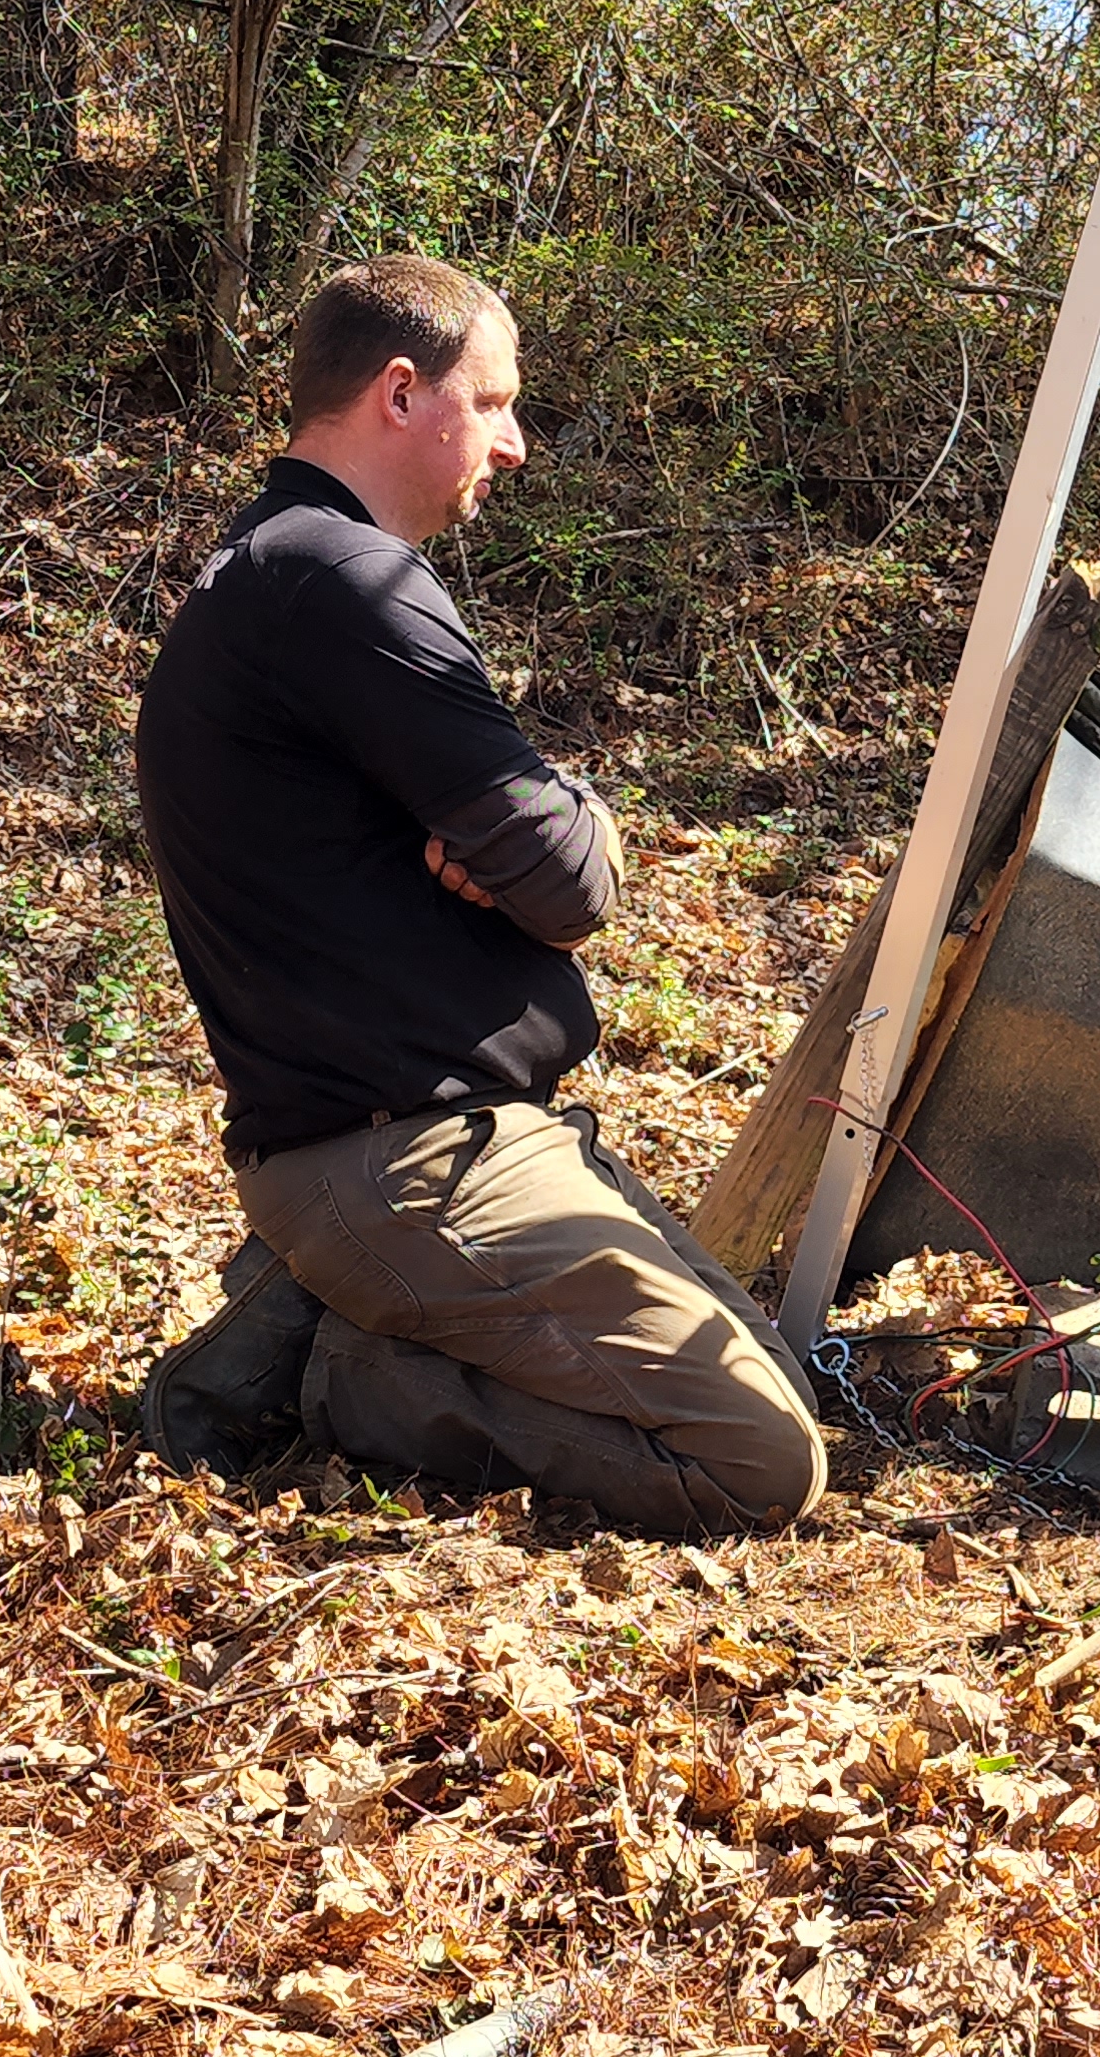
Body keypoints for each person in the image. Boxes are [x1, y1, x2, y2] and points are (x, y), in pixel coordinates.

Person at [130, 254, 826, 1535]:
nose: (514, 444)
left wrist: (534, 828)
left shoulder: (281, 575)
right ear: (401, 393)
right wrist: (574, 829)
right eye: (494, 402)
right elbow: (567, 886)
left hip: (441, 1140)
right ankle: (325, 1368)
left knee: (781, 1383)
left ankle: (333, 1312)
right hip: (401, 1162)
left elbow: (526, 848)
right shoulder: (345, 584)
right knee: (757, 1463)